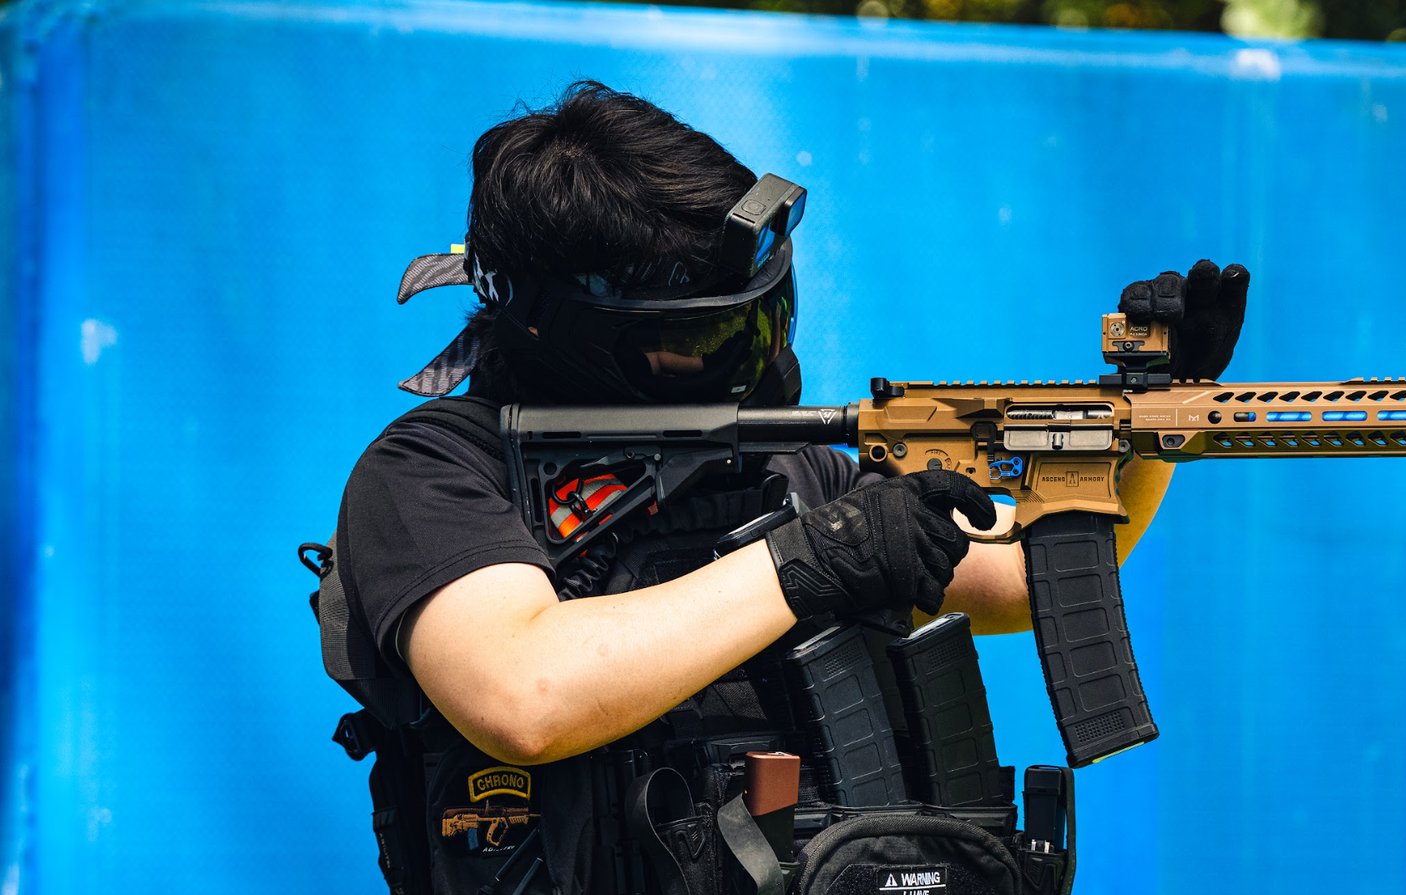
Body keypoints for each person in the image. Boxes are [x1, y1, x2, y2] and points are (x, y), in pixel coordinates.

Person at [320, 80, 1249, 895]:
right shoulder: (434, 473)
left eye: (764, 320)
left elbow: (1022, 575)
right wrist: (812, 558)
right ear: (569, 329)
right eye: (708, 339)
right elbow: (526, 695)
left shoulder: (789, 467)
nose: (754, 358)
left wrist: (1151, 427)